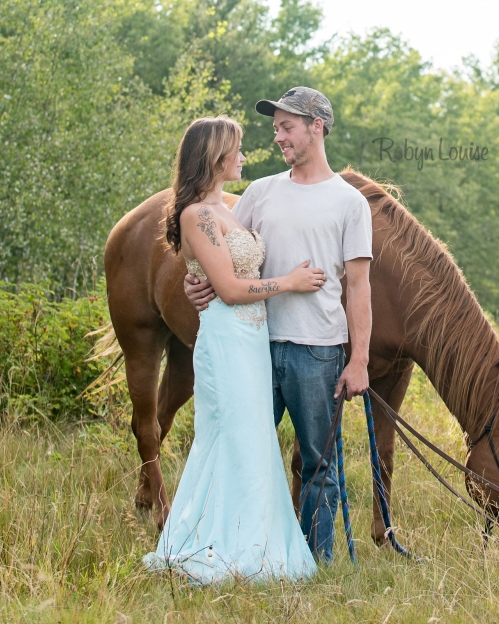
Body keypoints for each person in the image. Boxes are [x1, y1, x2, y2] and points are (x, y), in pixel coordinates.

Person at [184, 87, 372, 563]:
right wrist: (194, 284)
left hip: (319, 351)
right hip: (254, 349)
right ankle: (236, 549)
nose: (279, 137)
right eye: (275, 129)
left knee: (318, 464)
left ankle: (314, 561)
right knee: (243, 452)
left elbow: (358, 289)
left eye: (287, 127)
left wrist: (360, 361)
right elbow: (225, 255)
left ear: (317, 126)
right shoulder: (259, 192)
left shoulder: (349, 203)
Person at [143, 115, 322, 584]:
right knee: (233, 439)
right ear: (215, 156)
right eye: (237, 149)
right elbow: (228, 288)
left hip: (250, 340)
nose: (243, 156)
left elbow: (220, 272)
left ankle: (255, 538)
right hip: (227, 339)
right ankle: (226, 544)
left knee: (253, 441)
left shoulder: (227, 211)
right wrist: (291, 282)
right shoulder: (197, 215)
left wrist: (195, 278)